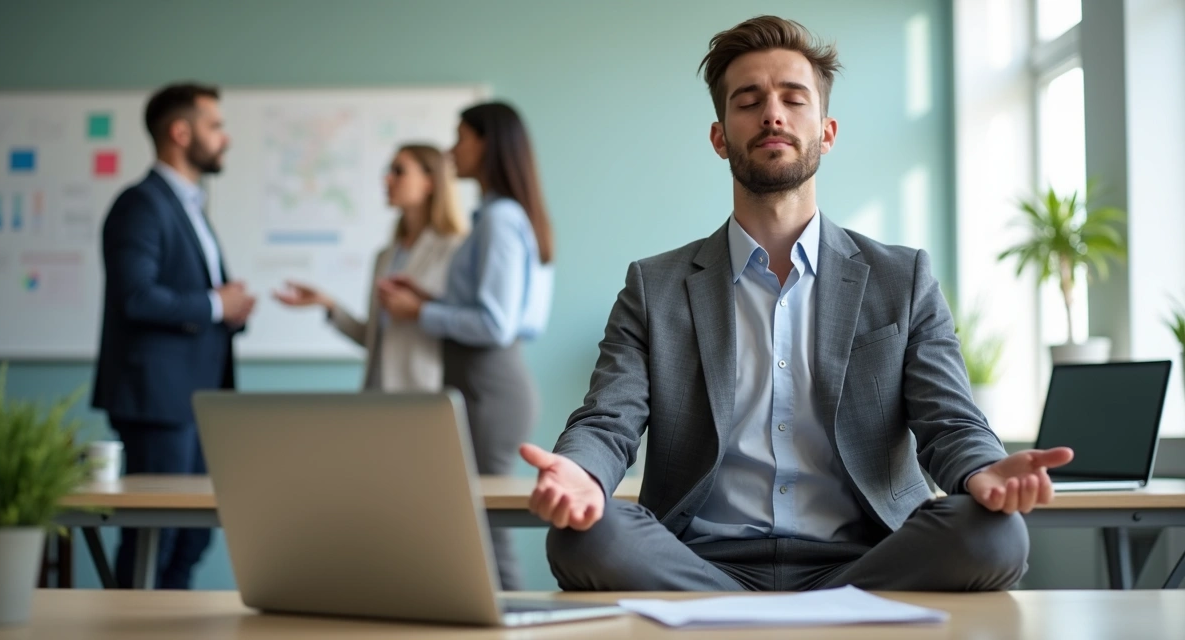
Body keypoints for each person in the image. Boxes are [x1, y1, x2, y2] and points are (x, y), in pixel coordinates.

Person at [520, 16, 1075, 592]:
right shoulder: (653, 286)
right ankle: (781, 614)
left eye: (793, 98)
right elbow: (608, 419)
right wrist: (582, 473)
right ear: (719, 137)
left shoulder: (901, 278)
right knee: (582, 534)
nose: (773, 114)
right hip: (702, 558)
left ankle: (754, 617)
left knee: (995, 534)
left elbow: (949, 420)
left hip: (864, 559)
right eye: (749, 101)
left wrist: (984, 470)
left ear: (827, 131)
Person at [379, 102, 554, 590]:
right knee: (475, 529)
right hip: (479, 387)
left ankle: (510, 624)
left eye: (461, 138)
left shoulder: (498, 219)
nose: (452, 150)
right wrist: (428, 299)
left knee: (487, 530)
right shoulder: (499, 216)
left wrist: (421, 313)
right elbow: (488, 309)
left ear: (487, 143)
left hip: (489, 391)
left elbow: (495, 324)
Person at [92, 82, 254, 589]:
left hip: (200, 400)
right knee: (153, 541)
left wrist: (228, 311)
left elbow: (189, 295)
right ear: (180, 132)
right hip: (159, 403)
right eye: (215, 126)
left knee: (192, 539)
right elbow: (135, 297)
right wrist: (213, 304)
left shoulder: (190, 205)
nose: (225, 138)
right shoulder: (142, 204)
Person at [274, 144, 467, 391]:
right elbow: (375, 339)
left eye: (399, 171)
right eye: (389, 171)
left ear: (430, 181)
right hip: (377, 393)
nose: (387, 179)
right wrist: (328, 304)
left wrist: (419, 310)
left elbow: (460, 327)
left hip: (424, 393)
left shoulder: (454, 251)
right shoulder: (385, 257)